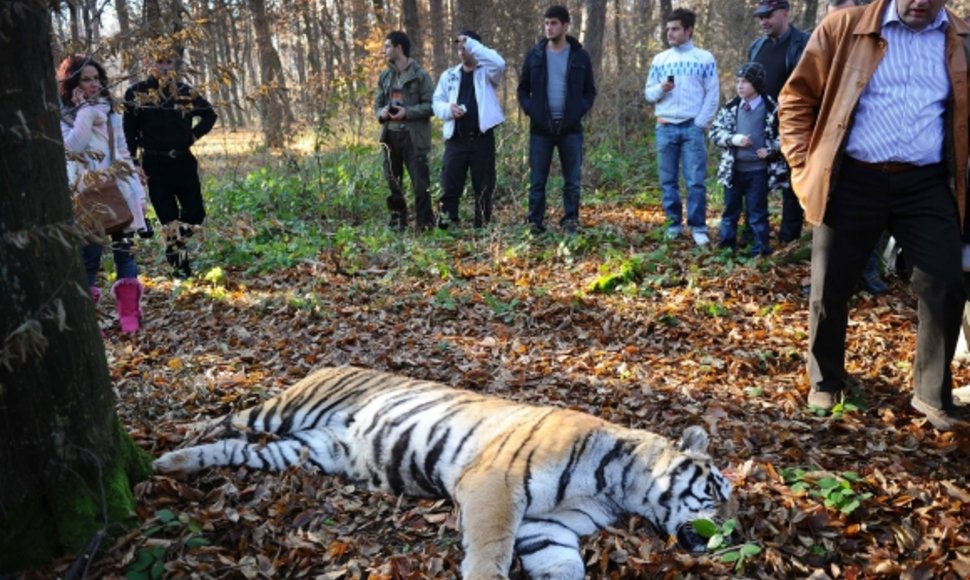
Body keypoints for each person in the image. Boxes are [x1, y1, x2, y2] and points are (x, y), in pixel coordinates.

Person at [779, 0, 969, 430]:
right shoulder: (843, 27)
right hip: (851, 178)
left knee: (944, 281)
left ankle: (931, 395)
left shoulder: (960, 38)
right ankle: (826, 381)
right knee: (831, 285)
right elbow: (796, 98)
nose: (920, 1)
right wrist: (801, 163)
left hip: (925, 181)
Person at [59, 55, 148, 333]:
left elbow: (122, 151)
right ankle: (89, 321)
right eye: (86, 79)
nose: (93, 83)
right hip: (85, 192)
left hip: (118, 188)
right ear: (72, 82)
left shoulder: (112, 112)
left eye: (97, 78)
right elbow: (72, 148)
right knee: (90, 257)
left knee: (125, 251)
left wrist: (135, 187)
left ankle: (129, 315)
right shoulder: (62, 116)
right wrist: (85, 111)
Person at [123, 54, 217, 279]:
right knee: (168, 217)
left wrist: (192, 136)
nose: (164, 67)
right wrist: (134, 163)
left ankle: (173, 245)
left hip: (183, 160)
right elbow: (129, 133)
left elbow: (209, 115)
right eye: (159, 62)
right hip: (154, 163)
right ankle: (180, 269)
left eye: (168, 62)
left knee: (195, 213)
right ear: (148, 63)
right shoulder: (136, 93)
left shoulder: (184, 91)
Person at [517, 5, 596, 235]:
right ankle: (534, 222)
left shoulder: (579, 56)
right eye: (546, 23)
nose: (548, 27)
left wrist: (579, 110)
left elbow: (589, 91)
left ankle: (571, 220)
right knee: (537, 180)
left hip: (570, 129)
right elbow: (523, 90)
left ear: (565, 26)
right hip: (541, 129)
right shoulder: (535, 55)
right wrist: (532, 110)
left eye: (553, 23)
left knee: (572, 180)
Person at [644, 8, 719, 246]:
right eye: (668, 29)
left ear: (689, 30)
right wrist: (661, 89)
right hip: (665, 126)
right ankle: (673, 224)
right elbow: (648, 94)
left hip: (691, 128)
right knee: (668, 180)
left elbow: (712, 94)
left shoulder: (704, 58)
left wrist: (699, 124)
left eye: (675, 29)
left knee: (695, 180)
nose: (670, 33)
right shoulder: (660, 60)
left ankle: (698, 226)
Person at [748, 0, 810, 248]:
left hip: (793, 123)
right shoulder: (756, 46)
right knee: (754, 179)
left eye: (769, 16)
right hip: (761, 123)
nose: (764, 21)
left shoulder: (803, 43)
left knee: (792, 182)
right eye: (760, 17)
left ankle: (789, 237)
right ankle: (755, 234)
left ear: (785, 13)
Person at [710, 63, 788, 257]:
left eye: (745, 81)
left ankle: (760, 249)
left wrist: (772, 150)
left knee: (757, 212)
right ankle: (727, 246)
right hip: (734, 170)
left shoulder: (772, 109)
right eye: (737, 81)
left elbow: (786, 135)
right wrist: (734, 139)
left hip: (759, 171)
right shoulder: (731, 107)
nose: (740, 86)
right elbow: (715, 133)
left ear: (757, 83)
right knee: (730, 211)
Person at [432, 31, 506, 229]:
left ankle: (482, 227)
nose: (461, 51)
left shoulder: (488, 73)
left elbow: (499, 63)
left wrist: (472, 43)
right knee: (449, 185)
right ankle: (447, 225)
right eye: (459, 48)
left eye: (465, 47)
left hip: (482, 139)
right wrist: (449, 109)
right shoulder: (449, 76)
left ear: (475, 48)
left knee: (483, 186)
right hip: (456, 138)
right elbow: (436, 102)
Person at [375, 31, 435, 232]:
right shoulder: (385, 76)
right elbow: (377, 104)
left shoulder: (420, 75)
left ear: (399, 48)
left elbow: (431, 106)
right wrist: (382, 112)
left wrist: (406, 112)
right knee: (393, 181)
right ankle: (397, 224)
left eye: (387, 46)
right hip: (391, 137)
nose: (384, 51)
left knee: (420, 183)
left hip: (413, 137)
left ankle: (425, 224)